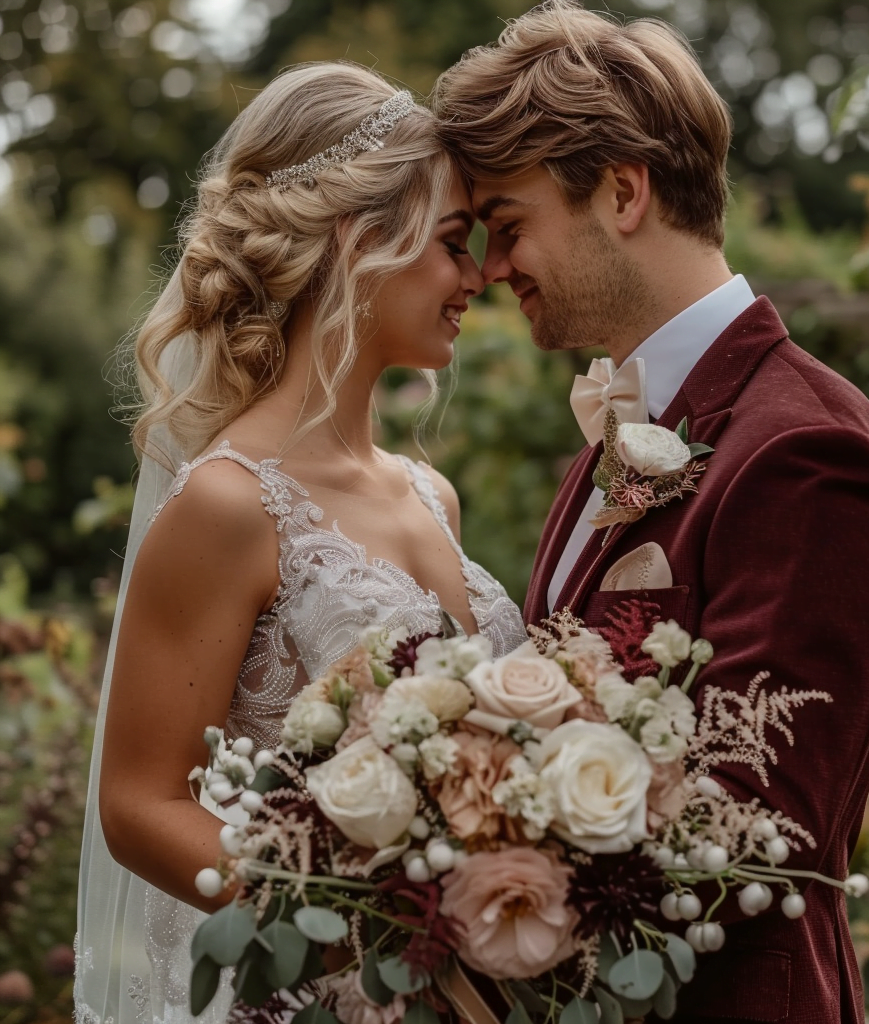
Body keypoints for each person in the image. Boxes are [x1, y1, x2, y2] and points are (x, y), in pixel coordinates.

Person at [434, 3, 869, 1022]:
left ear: (621, 192)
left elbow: (756, 823)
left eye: (508, 224)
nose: (488, 269)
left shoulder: (804, 450)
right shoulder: (622, 439)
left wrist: (430, 871)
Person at [74, 61, 528, 1024]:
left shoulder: (431, 495)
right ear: (365, 241)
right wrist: (361, 925)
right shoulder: (231, 507)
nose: (479, 275)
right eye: (454, 242)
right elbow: (139, 807)